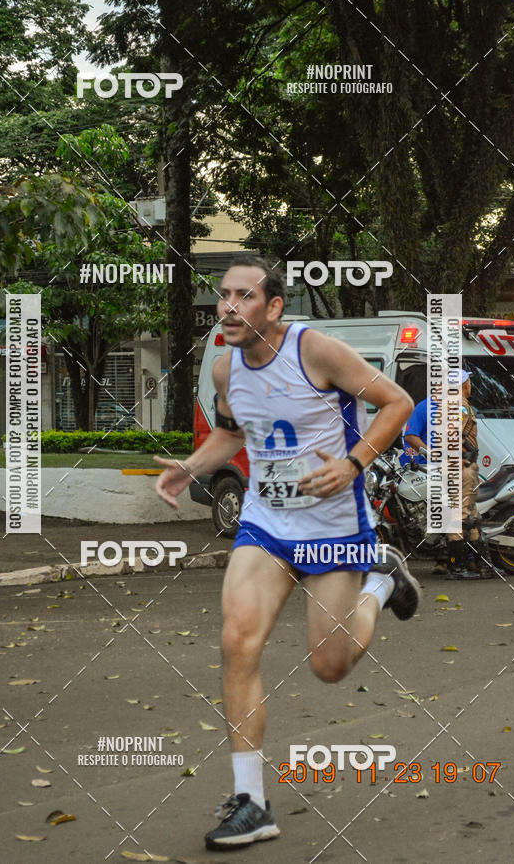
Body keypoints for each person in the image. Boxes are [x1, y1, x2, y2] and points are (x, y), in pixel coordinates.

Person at [155, 259, 420, 850]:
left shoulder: (317, 351)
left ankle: (380, 583)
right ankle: (251, 802)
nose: (227, 306)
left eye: (243, 297)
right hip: (267, 525)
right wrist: (190, 468)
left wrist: (352, 464)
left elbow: (397, 402)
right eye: (223, 295)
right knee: (237, 640)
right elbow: (233, 433)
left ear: (273, 307)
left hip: (332, 529)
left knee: (330, 665)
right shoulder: (226, 371)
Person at [447, 370, 493, 580]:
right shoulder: (460, 405)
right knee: (461, 515)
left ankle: (480, 566)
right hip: (463, 467)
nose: (471, 384)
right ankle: (459, 567)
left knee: (472, 515)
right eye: (469, 381)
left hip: (464, 465)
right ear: (464, 384)